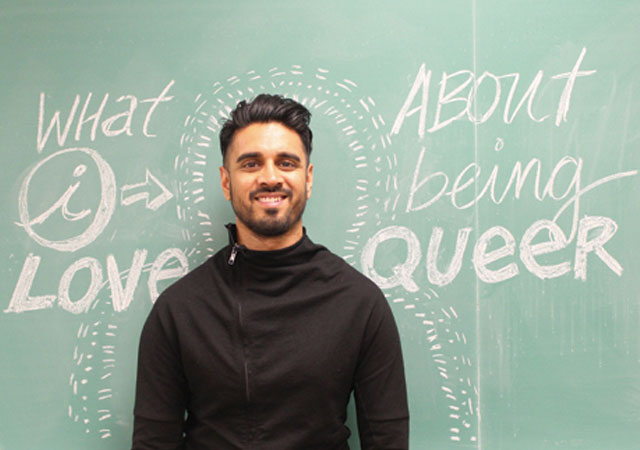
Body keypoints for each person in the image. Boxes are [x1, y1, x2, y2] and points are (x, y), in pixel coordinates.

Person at [132, 94, 409, 449]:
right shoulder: (178, 311)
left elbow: (388, 441)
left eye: (286, 163)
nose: (270, 177)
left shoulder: (360, 304)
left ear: (308, 178)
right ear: (226, 181)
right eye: (251, 164)